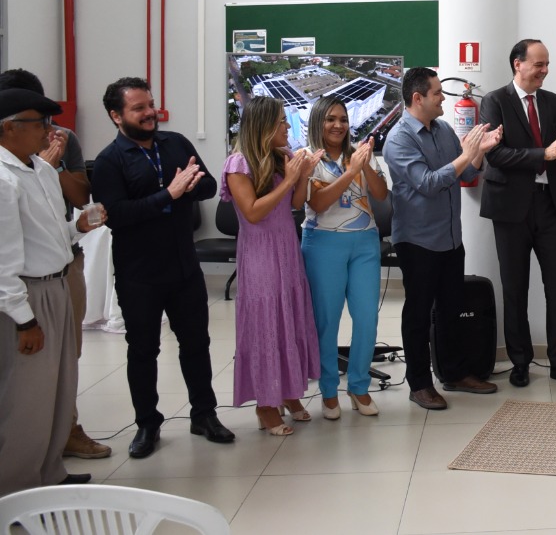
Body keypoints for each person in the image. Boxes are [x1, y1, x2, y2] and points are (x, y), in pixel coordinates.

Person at [91, 77, 235, 458]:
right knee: (143, 350)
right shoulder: (109, 161)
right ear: (116, 116)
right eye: (138, 108)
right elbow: (115, 216)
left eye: (150, 104)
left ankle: (204, 415)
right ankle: (147, 424)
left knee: (197, 344)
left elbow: (207, 188)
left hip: (183, 267)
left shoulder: (177, 143)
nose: (149, 112)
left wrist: (189, 187)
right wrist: (167, 194)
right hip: (139, 273)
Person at [0, 88, 107, 494]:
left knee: (59, 385)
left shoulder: (41, 170)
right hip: (27, 295)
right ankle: (15, 490)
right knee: (26, 398)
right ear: (8, 128)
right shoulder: (3, 179)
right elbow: (4, 259)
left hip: (58, 281)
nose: (50, 131)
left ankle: (49, 474)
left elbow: (47, 235)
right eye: (40, 124)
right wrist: (23, 319)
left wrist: (78, 226)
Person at [384, 67, 503, 410]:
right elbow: (429, 183)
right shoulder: (399, 139)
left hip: (450, 238)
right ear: (417, 98)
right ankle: (419, 383)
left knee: (452, 309)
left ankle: (454, 373)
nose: (443, 98)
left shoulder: (445, 129)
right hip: (417, 241)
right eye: (437, 93)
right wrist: (468, 153)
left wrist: (481, 149)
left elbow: (466, 173)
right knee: (419, 315)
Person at [479, 40, 556, 389]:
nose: (544, 71)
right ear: (517, 64)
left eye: (547, 64)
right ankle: (520, 362)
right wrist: (545, 154)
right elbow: (496, 156)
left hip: (549, 204)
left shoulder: (553, 101)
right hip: (510, 209)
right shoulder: (494, 101)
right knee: (515, 288)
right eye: (538, 64)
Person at [220, 96, 322, 436]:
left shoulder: (284, 158)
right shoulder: (238, 165)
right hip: (261, 255)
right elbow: (252, 212)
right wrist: (291, 178)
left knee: (289, 321)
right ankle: (266, 405)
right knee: (266, 324)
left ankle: (290, 392)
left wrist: (302, 175)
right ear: (263, 127)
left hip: (287, 251)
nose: (287, 127)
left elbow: (295, 204)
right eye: (281, 121)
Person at [301, 96, 389, 419]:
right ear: (318, 123)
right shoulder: (308, 158)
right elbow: (319, 203)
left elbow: (380, 195)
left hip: (364, 242)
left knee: (367, 317)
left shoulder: (360, 155)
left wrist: (364, 166)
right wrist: (351, 173)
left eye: (342, 119)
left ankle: (359, 387)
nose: (338, 125)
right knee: (327, 321)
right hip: (324, 243)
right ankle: (328, 392)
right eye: (330, 119)